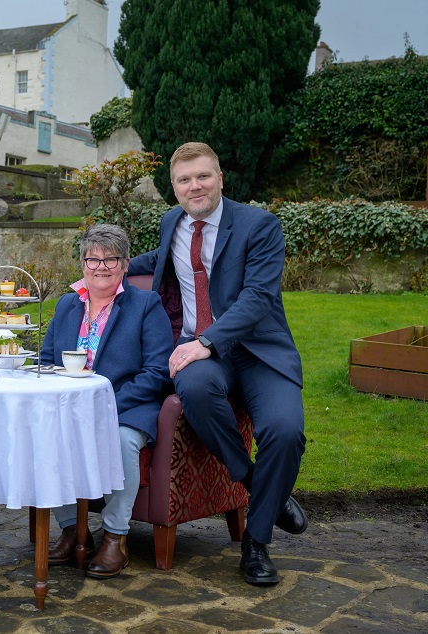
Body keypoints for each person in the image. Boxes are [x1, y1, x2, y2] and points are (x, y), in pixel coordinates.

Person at [128, 141, 308, 585]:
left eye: (203, 176)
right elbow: (159, 260)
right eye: (184, 180)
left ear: (221, 178)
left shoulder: (259, 226)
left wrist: (207, 340)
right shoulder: (173, 221)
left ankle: (255, 541)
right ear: (173, 187)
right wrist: (102, 270)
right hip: (201, 353)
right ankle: (251, 482)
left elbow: (258, 297)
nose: (195, 186)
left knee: (285, 433)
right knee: (195, 388)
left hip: (257, 351)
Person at [40, 223, 173, 578]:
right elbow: (46, 360)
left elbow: (158, 371)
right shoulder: (67, 305)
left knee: (122, 441)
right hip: (69, 405)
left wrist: (108, 403)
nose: (101, 266)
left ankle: (115, 536)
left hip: (128, 406)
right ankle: (73, 529)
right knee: (46, 436)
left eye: (111, 259)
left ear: (125, 264)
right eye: (93, 259)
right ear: (83, 263)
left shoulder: (145, 304)